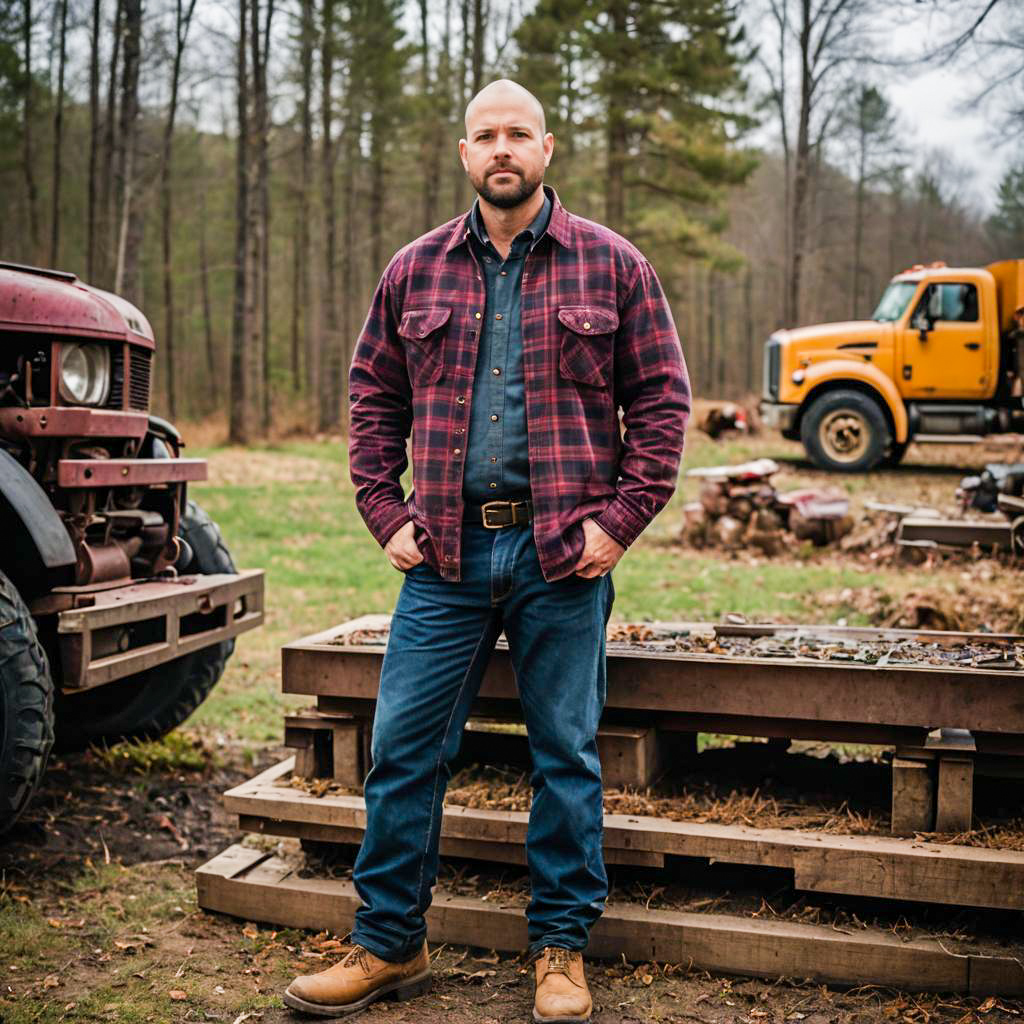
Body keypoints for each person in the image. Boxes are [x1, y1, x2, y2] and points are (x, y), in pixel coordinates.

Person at [284, 78, 690, 1023]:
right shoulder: (413, 270)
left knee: (565, 755)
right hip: (445, 558)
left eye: (517, 133)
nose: (500, 149)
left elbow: (664, 406)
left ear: (547, 148)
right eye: (483, 135)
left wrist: (616, 523)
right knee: (401, 749)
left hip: (563, 557)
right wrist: (385, 513)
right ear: (463, 154)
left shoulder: (614, 265)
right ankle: (389, 944)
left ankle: (559, 950)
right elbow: (372, 399)